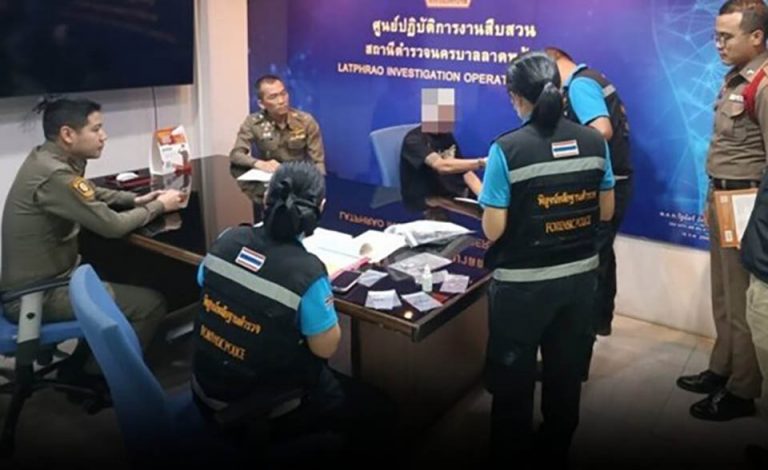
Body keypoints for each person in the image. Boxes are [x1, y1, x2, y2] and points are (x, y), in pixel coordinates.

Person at [191, 161, 393, 463]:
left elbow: (204, 280)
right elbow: (325, 348)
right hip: (259, 409)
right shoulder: (307, 273)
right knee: (379, 408)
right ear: (321, 207)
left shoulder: (227, 239)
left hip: (203, 386)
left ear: (265, 197)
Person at [479, 52, 614, 467]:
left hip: (521, 288)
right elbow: (606, 211)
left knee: (513, 380)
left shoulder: (506, 149)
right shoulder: (594, 142)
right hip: (579, 282)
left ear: (515, 96)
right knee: (565, 373)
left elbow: (493, 230)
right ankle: (554, 450)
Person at [1, 97, 185, 377]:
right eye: (96, 129)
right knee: (150, 304)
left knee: (127, 271)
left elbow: (86, 190)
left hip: (51, 277)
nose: (104, 136)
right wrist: (159, 206)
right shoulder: (55, 175)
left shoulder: (49, 158)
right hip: (37, 294)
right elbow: (112, 226)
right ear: (67, 134)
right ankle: (102, 378)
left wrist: (134, 200)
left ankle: (85, 363)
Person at [676, 0, 767, 421]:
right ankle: (722, 367)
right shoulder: (736, 78)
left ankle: (742, 389)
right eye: (715, 36)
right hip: (724, 197)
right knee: (723, 292)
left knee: (743, 299)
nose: (718, 44)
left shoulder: (763, 85)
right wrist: (711, 199)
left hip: (748, 203)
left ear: (757, 37)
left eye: (727, 37)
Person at [546, 47, 632, 338]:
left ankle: (584, 332)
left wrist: (559, 148)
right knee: (602, 253)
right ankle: (600, 321)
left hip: (604, 185)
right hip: (615, 181)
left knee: (591, 257)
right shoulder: (593, 78)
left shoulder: (580, 85)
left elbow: (602, 130)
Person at [230, 75, 325, 220]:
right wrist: (259, 163)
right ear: (261, 104)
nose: (281, 101)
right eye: (273, 97)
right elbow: (236, 154)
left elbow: (318, 162)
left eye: (283, 94)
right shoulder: (253, 123)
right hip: (270, 186)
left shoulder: (305, 121)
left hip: (299, 184)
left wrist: (318, 190)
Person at [400, 87, 484, 211]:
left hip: (451, 193)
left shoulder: (446, 135)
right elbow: (441, 166)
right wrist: (481, 163)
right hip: (428, 201)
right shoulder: (413, 140)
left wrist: (484, 197)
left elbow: (465, 171)